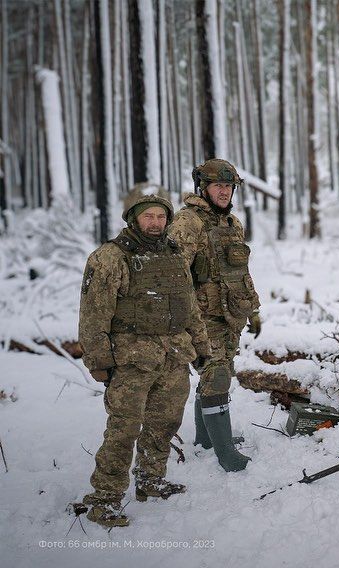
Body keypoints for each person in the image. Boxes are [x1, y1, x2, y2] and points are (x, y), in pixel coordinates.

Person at [78, 184, 211, 527]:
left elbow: (189, 306)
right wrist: (98, 362)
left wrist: (201, 349)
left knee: (164, 424)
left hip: (173, 356)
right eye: (148, 216)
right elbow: (93, 314)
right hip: (131, 360)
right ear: (133, 219)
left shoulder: (174, 253)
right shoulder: (109, 257)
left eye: (161, 216)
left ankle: (151, 480)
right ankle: (103, 498)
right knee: (123, 430)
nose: (155, 222)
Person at [168, 158, 260, 472]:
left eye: (228, 186)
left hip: (230, 316)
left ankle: (207, 441)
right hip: (202, 318)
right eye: (218, 185)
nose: (224, 191)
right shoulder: (188, 221)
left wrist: (253, 310)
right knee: (216, 377)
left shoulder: (232, 224)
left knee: (215, 379)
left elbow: (241, 272)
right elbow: (174, 274)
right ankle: (226, 456)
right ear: (204, 187)